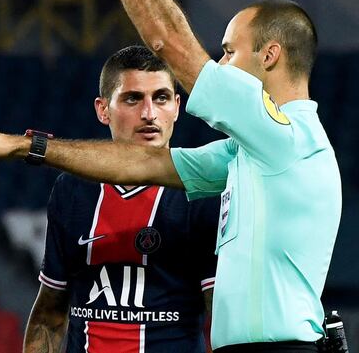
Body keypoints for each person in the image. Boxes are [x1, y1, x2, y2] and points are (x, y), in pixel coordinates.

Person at [0, 0, 341, 353]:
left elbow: (170, 45)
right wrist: (24, 145)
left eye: (228, 52)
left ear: (270, 55)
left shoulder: (287, 138)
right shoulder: (253, 152)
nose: (218, 65)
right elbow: (146, 164)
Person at [25, 46, 218, 353]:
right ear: (103, 110)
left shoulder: (200, 192)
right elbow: (49, 315)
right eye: (133, 98)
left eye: (161, 98)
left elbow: (222, 320)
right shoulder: (71, 191)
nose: (149, 113)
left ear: (178, 106)